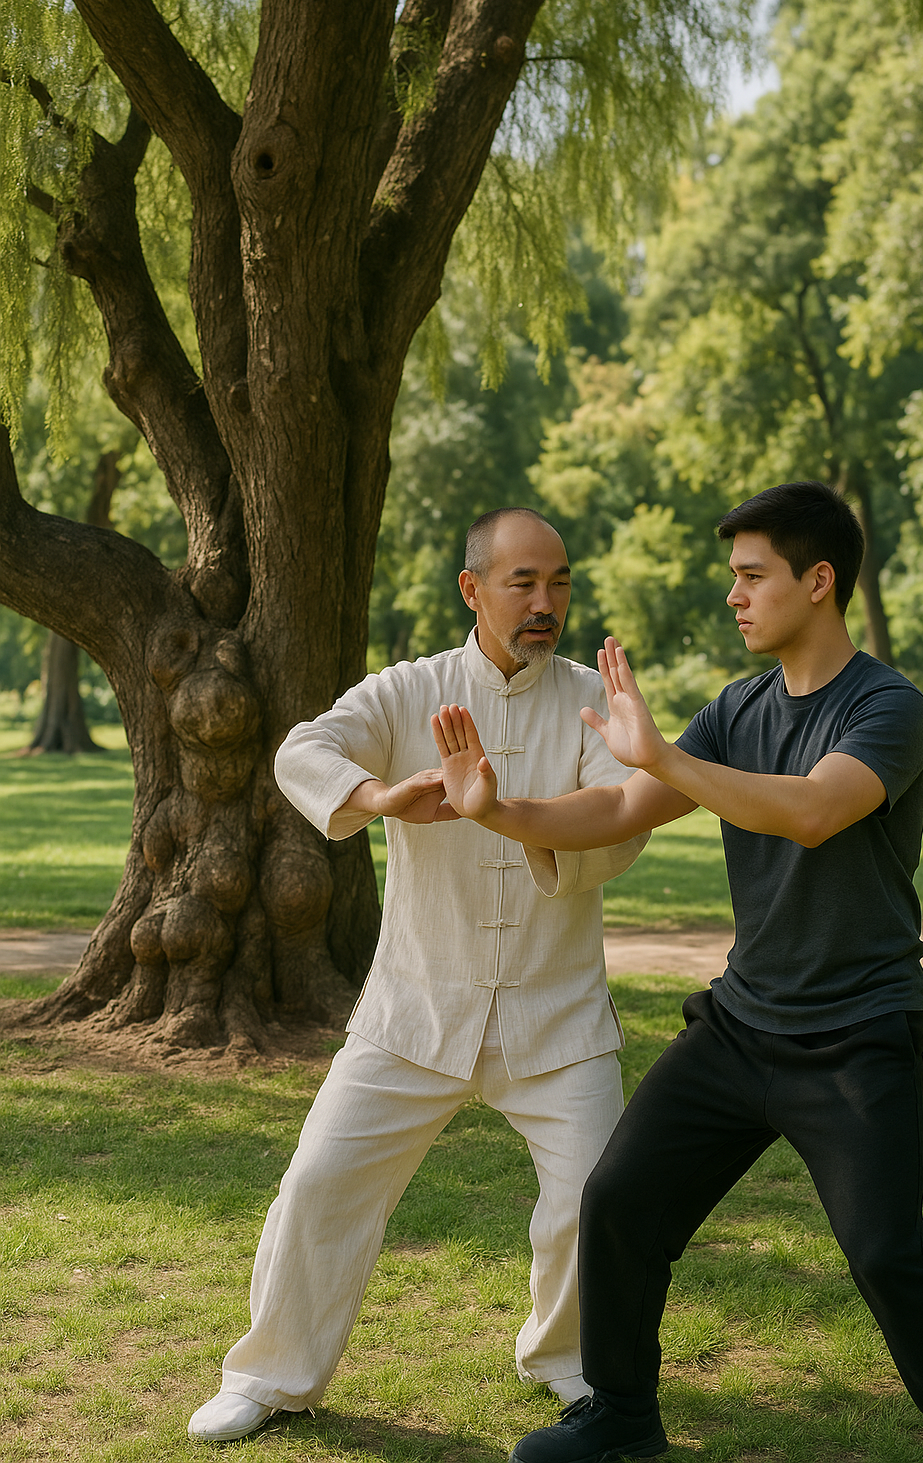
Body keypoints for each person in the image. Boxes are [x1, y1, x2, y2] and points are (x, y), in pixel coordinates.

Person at [433, 481, 923, 1463]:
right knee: (617, 1202)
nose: (734, 597)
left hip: (855, 1039)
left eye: (752, 577)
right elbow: (621, 811)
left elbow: (809, 810)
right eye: (733, 578)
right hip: (741, 1029)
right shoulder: (738, 709)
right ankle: (621, 1414)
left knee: (884, 1251)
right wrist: (497, 811)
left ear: (818, 581)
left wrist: (662, 753)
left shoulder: (888, 708)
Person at [187, 507, 649, 1442]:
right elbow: (299, 750)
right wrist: (381, 796)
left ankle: (569, 1362)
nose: (545, 602)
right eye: (523, 583)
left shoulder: (589, 698)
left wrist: (503, 809)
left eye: (558, 582)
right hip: (411, 1010)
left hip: (557, 1017)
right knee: (321, 1182)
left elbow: (621, 811)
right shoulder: (410, 690)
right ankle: (273, 1374)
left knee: (595, 1197)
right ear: (474, 589)